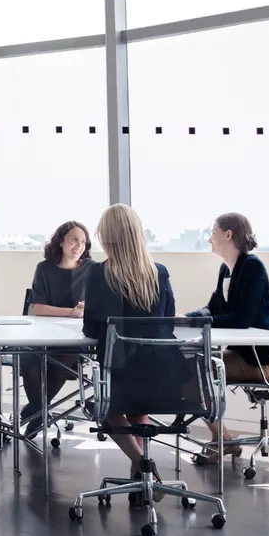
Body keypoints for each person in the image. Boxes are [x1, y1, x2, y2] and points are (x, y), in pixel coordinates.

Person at [82, 204, 179, 490]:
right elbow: (169, 322)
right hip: (161, 373)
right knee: (138, 404)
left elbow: (91, 329)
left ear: (108, 238)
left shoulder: (99, 273)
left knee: (107, 408)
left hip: (119, 370)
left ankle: (140, 462)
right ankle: (143, 478)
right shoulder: (159, 272)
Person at [186, 211, 269, 458]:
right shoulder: (226, 269)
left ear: (228, 234)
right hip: (247, 356)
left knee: (196, 374)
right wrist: (186, 318)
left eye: (213, 233)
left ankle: (223, 439)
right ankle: (224, 438)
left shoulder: (252, 267)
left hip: (267, 362)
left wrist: (200, 321)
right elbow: (212, 308)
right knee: (191, 368)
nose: (210, 239)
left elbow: (242, 320)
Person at [19, 220, 94, 435]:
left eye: (83, 242)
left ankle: (34, 413)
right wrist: (71, 312)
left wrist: (89, 307)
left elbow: (101, 303)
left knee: (64, 360)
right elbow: (38, 309)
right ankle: (38, 411)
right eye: (73, 240)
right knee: (28, 361)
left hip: (76, 338)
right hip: (42, 335)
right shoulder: (44, 269)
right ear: (61, 242)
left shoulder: (93, 269)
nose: (79, 246)